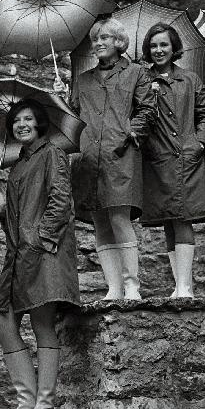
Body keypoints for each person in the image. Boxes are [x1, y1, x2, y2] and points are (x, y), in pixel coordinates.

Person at [0, 99, 80, 409]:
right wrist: (3, 212)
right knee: (2, 323)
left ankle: (45, 404)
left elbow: (61, 199)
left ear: (40, 123)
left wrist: (42, 239)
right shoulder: (17, 164)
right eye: (16, 120)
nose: (21, 124)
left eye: (27, 119)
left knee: (42, 324)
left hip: (44, 253)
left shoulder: (52, 153)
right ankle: (26, 402)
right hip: (18, 256)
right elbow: (15, 222)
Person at [56, 17, 155, 300]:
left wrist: (133, 130)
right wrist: (62, 97)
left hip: (120, 152)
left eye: (105, 38)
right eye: (95, 39)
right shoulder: (83, 80)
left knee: (119, 218)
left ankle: (132, 285)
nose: (98, 43)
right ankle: (113, 287)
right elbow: (71, 117)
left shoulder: (137, 73)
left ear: (119, 42)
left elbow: (147, 108)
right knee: (99, 221)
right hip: (88, 157)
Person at [140, 23, 205, 298]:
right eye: (153, 45)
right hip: (157, 159)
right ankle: (179, 285)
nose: (159, 50)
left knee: (183, 218)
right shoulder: (141, 79)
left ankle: (185, 286)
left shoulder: (190, 79)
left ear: (174, 48)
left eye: (164, 44)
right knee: (168, 220)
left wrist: (200, 143)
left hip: (188, 157)